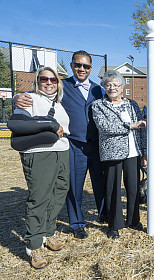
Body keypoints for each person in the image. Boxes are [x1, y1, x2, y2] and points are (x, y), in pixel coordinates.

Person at [14, 50, 107, 239]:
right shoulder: (61, 85)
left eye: (86, 66)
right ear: (72, 66)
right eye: (78, 65)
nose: (82, 69)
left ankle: (104, 213)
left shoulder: (99, 89)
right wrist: (17, 97)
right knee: (73, 186)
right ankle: (77, 223)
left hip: (96, 144)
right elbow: (37, 93)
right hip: (73, 145)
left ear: (91, 68)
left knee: (101, 182)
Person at [15, 67, 70, 268]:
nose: (48, 83)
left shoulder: (58, 102)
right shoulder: (28, 99)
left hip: (62, 150)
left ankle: (48, 233)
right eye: (43, 79)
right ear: (37, 81)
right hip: (38, 153)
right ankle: (34, 245)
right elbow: (18, 123)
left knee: (59, 193)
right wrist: (16, 97)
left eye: (53, 80)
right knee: (39, 198)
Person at [92, 70, 147, 239]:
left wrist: (144, 152)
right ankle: (114, 225)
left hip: (133, 152)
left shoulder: (132, 104)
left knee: (133, 189)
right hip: (111, 154)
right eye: (108, 85)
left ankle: (133, 220)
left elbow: (141, 130)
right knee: (113, 190)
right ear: (104, 87)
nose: (112, 88)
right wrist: (130, 125)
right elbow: (105, 127)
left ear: (122, 87)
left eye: (116, 85)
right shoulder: (98, 105)